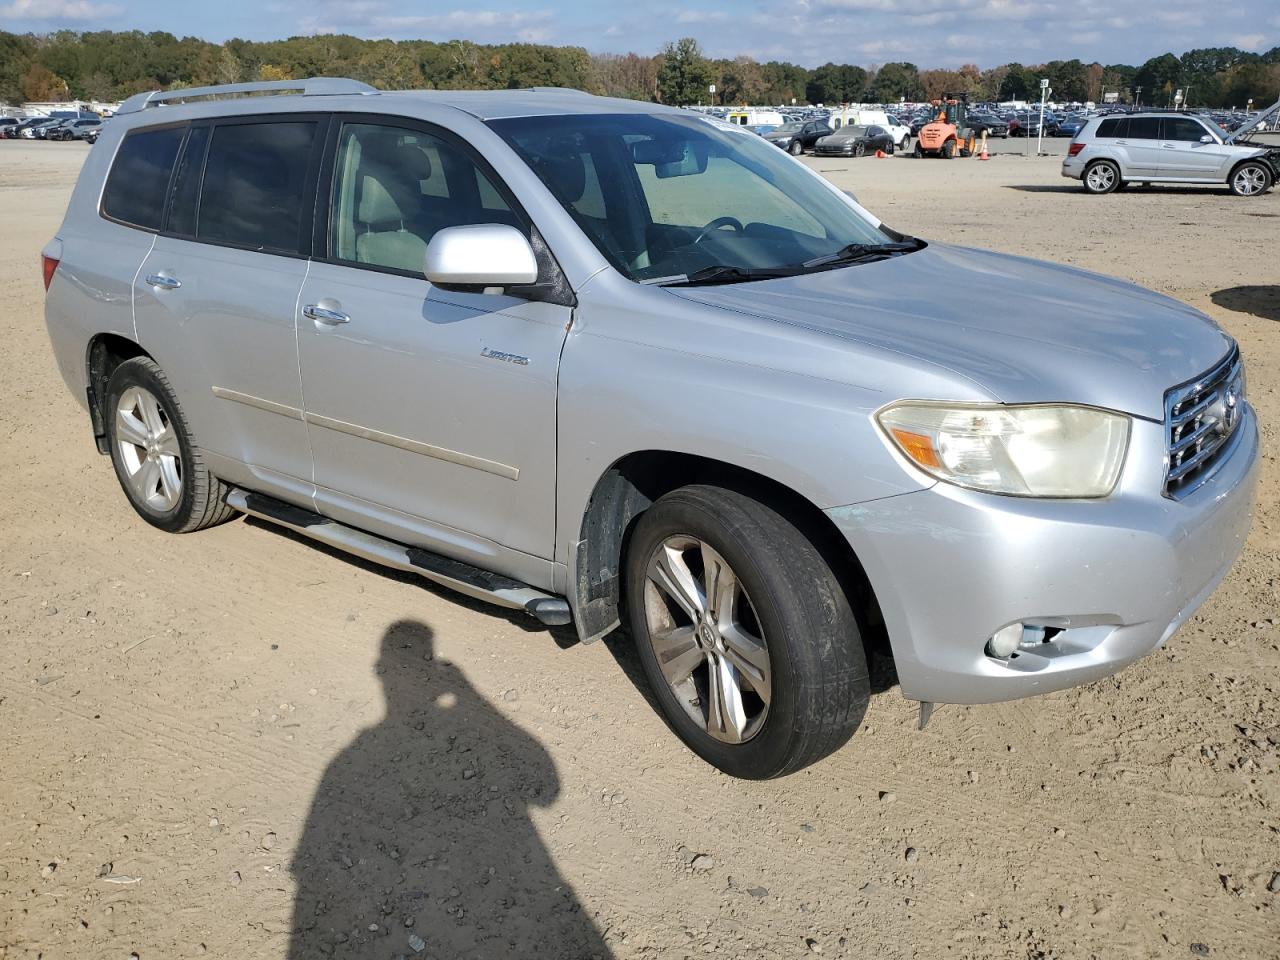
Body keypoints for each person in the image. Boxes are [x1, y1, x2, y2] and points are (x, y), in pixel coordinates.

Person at [288, 619, 610, 959]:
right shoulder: (348, 761)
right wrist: (472, 698)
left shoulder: (345, 762)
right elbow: (547, 789)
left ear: (380, 673)